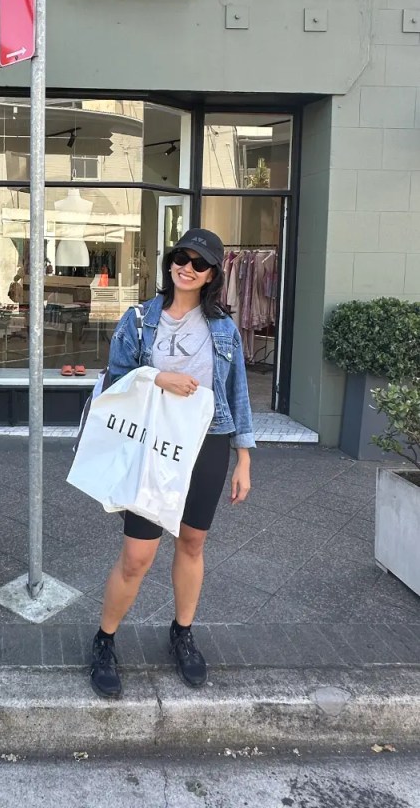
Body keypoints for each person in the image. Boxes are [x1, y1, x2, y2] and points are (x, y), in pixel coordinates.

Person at [89, 228, 255, 699]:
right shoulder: (140, 319)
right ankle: (104, 640)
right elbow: (114, 381)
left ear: (212, 275)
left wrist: (244, 458)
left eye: (199, 263)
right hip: (151, 444)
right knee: (138, 555)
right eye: (181, 257)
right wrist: (157, 377)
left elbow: (236, 394)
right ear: (170, 263)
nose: (187, 267)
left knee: (193, 542)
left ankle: (182, 632)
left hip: (208, 443)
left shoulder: (223, 328)